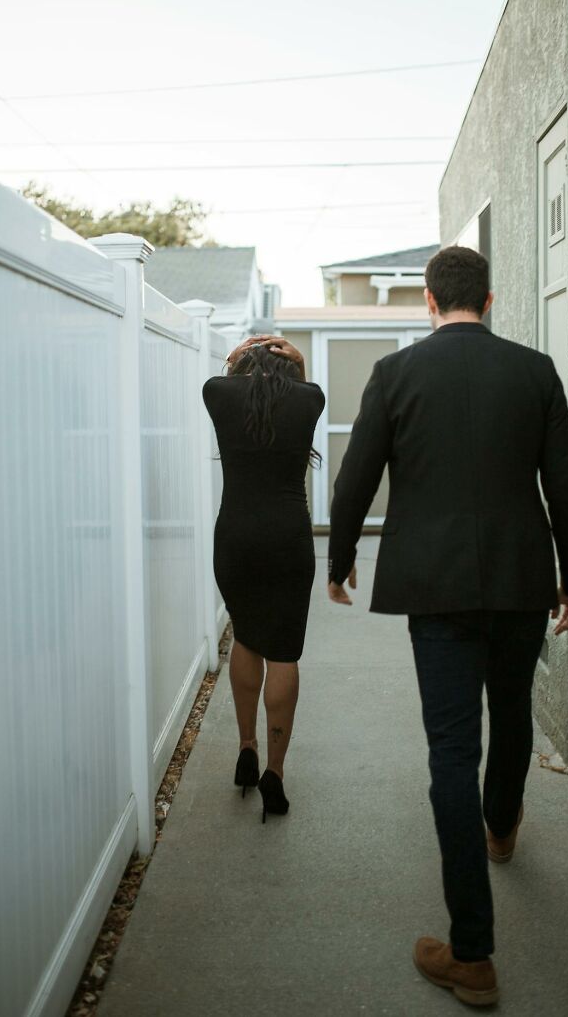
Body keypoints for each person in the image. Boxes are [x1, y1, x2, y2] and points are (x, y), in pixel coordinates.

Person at [327, 246, 568, 1007]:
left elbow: (357, 475)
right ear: (493, 299)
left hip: (434, 588)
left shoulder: (396, 374)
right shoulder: (535, 371)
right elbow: (564, 485)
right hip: (517, 581)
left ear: (431, 302)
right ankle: (500, 828)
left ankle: (472, 953)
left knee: (451, 750)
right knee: (512, 715)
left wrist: (339, 559)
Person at [203, 335, 325, 822]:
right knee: (284, 651)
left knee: (246, 638)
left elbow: (223, 376)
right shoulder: (309, 399)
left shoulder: (218, 393)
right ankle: (274, 773)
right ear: (288, 368)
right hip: (288, 540)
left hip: (235, 538)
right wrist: (297, 359)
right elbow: (306, 383)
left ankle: (246, 747)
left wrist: (237, 357)